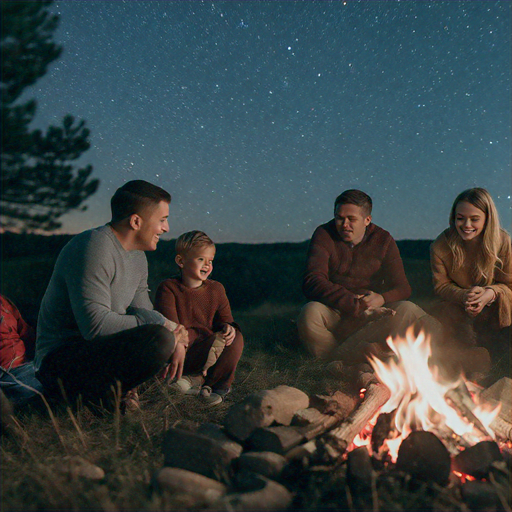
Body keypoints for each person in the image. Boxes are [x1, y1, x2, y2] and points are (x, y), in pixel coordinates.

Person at [34, 180, 189, 409]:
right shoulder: (93, 246)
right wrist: (164, 327)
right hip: (59, 362)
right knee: (160, 339)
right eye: (162, 220)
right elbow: (95, 327)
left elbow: (142, 310)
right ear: (136, 221)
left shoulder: (138, 257)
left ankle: (115, 394)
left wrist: (176, 331)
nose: (166, 228)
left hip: (99, 352)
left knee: (165, 336)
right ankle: (106, 395)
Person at [297, 189, 434, 365]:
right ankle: (337, 361)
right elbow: (313, 280)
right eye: (339, 218)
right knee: (309, 313)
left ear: (367, 220)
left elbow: (403, 288)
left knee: (408, 309)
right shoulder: (324, 234)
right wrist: (356, 304)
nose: (344, 224)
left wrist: (381, 298)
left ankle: (342, 359)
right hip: (335, 307)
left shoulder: (383, 240)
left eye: (351, 219)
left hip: (373, 311)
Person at [155, 231, 244, 406]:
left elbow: (225, 318)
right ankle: (190, 379)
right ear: (181, 261)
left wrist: (228, 327)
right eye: (201, 259)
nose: (207, 265)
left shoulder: (216, 289)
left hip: (210, 347)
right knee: (172, 341)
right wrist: (180, 343)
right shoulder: (168, 288)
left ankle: (214, 385)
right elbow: (172, 327)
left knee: (236, 337)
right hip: (182, 351)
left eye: (210, 261)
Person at [430, 188, 511, 377]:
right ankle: (459, 368)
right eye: (460, 218)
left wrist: (490, 293)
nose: (466, 225)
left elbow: (510, 284)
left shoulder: (503, 241)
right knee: (443, 317)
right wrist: (465, 296)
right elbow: (441, 286)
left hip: (496, 307)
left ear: (487, 219)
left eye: (474, 219)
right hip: (459, 308)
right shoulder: (440, 246)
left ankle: (495, 369)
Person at [0, 295, 44, 408]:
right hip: (9, 372)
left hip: (29, 363)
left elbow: (26, 333)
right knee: (44, 391)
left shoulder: (3, 301)